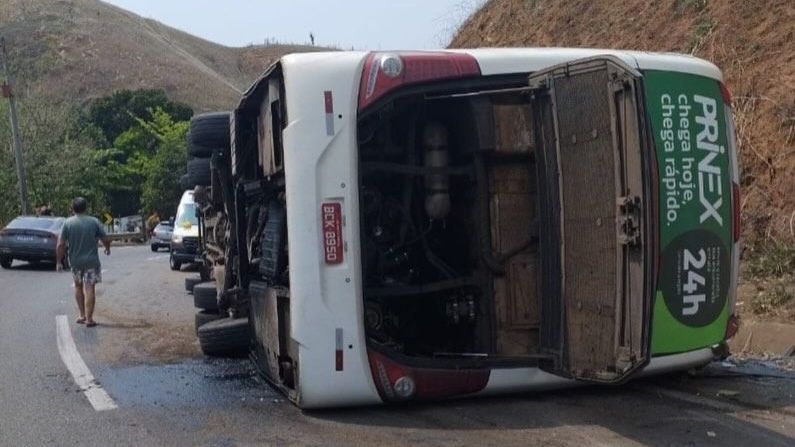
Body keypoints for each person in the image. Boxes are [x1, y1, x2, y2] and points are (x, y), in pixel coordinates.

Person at [56, 197, 111, 327]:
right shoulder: (94, 221)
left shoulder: (67, 223)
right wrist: (107, 248)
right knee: (90, 287)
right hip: (91, 261)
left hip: (75, 262)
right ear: (86, 208)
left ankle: (82, 315)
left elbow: (61, 244)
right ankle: (89, 319)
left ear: (72, 209)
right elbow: (105, 238)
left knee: (78, 286)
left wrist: (58, 261)